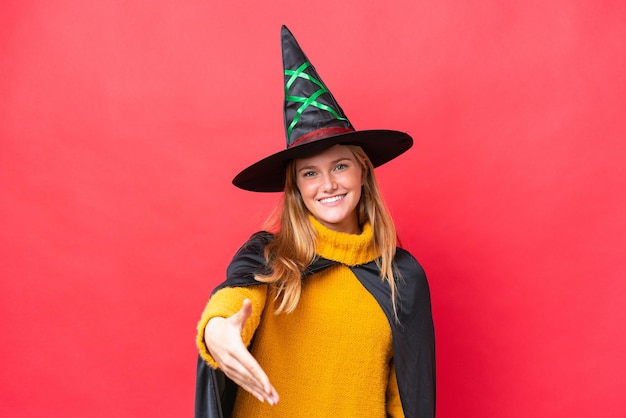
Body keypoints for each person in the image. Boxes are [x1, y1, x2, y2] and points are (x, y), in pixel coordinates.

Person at [194, 26, 435, 418]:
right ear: (295, 187)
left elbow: (405, 400)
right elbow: (233, 301)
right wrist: (219, 331)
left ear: (362, 171)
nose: (328, 185)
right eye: (310, 173)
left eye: (340, 166)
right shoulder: (268, 257)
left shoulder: (401, 277)